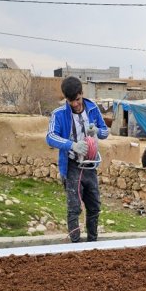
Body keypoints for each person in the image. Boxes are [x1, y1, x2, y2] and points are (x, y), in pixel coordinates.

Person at [46, 76, 109, 242]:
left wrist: (97, 131)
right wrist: (71, 145)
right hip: (72, 165)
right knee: (74, 207)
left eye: (78, 99)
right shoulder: (59, 114)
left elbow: (105, 131)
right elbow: (50, 137)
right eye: (71, 101)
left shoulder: (93, 108)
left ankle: (92, 243)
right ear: (66, 99)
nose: (75, 104)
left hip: (90, 165)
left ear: (82, 93)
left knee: (94, 206)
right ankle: (75, 244)